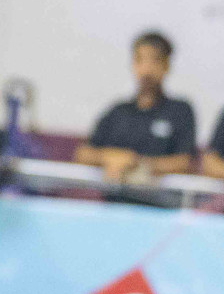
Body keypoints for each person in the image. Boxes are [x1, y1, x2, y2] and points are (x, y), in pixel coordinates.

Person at [74, 31, 196, 184]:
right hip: (114, 201)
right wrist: (108, 157)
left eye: (154, 61)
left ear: (166, 65)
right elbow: (83, 153)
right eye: (139, 60)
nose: (146, 70)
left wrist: (136, 163)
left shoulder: (180, 111)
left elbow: (184, 162)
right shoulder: (118, 111)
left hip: (158, 202)